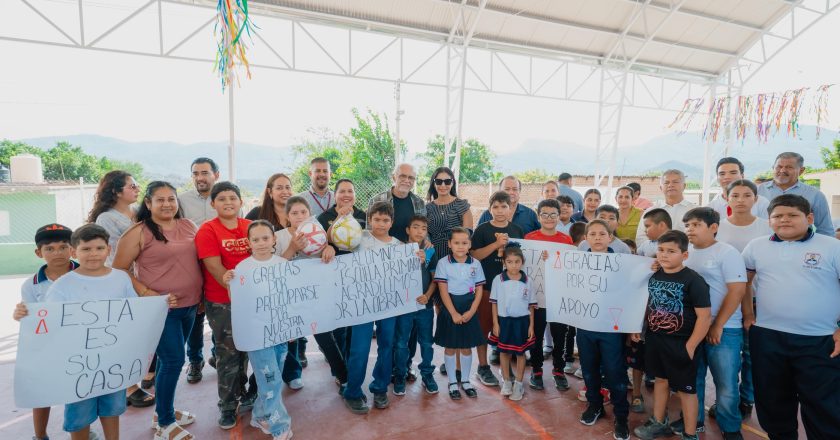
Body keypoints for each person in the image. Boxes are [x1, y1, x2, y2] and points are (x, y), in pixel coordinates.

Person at [46, 225, 174, 440]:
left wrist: (161, 304)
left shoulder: (121, 278)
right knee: (79, 414)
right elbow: (49, 320)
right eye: (86, 249)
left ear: (109, 249)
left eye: (99, 248)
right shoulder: (62, 286)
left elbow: (133, 311)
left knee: (112, 408)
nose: (93, 254)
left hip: (113, 361)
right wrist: (25, 314)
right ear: (74, 252)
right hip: (80, 364)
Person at [741, 194, 840, 439]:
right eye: (777, 216)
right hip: (767, 336)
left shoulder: (832, 247)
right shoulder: (756, 246)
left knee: (822, 403)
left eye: (792, 215)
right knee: (772, 400)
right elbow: (744, 281)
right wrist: (748, 313)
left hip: (819, 338)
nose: (784, 220)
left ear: (809, 218)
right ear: (769, 220)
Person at [112, 181, 203, 440]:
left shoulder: (188, 225)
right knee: (174, 361)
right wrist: (146, 292)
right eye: (160, 200)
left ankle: (164, 411)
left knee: (167, 361)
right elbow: (119, 269)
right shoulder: (138, 232)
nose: (167, 204)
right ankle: (164, 423)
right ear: (148, 203)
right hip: (161, 310)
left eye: (171, 199)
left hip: (190, 305)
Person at [674, 208, 747, 439]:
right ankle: (694, 421)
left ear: (713, 227)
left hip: (724, 329)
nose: (689, 229)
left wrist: (718, 324)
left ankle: (730, 427)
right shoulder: (685, 253)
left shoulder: (727, 252)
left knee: (726, 383)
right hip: (691, 327)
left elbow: (737, 291)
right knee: (692, 378)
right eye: (687, 225)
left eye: (696, 224)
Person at [632, 231, 711, 440]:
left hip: (681, 342)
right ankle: (659, 422)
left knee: (686, 390)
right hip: (656, 339)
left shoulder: (694, 280)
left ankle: (690, 434)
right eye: (660, 250)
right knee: (660, 380)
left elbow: (704, 317)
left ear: (684, 255)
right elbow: (643, 303)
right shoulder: (654, 275)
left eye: (671, 251)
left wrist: (691, 346)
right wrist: (637, 328)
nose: (664, 255)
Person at [222, 221, 294, 440]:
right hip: (256, 335)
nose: (261, 243)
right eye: (256, 239)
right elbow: (236, 301)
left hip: (280, 332)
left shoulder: (283, 264)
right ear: (248, 242)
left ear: (274, 239)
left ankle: (260, 415)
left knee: (272, 376)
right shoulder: (242, 268)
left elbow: (292, 299)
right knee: (270, 380)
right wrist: (228, 283)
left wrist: (292, 327)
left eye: (265, 238)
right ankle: (279, 426)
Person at [194, 181, 257, 430]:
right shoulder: (207, 230)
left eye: (232, 198)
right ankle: (228, 406)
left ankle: (244, 392)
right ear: (213, 204)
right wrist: (236, 289)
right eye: (221, 199)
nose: (228, 202)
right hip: (222, 302)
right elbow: (214, 267)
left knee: (247, 350)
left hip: (252, 300)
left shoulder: (250, 226)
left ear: (241, 201)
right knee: (228, 354)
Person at [342, 202, 415, 413]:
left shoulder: (399, 246)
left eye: (385, 220)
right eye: (376, 219)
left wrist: (417, 258)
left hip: (388, 305)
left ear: (392, 222)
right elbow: (337, 241)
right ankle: (352, 391)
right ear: (369, 219)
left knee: (386, 345)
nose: (381, 224)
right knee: (359, 349)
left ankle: (380, 387)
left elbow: (408, 271)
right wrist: (330, 244)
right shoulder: (359, 237)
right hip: (362, 304)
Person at [12, 224, 78, 440]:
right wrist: (21, 314)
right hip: (47, 348)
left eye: (63, 247)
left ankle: (80, 430)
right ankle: (40, 436)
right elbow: (30, 318)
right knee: (42, 393)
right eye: (49, 248)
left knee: (77, 392)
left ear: (73, 249)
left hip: (79, 346)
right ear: (38, 252)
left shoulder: (87, 274)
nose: (57, 253)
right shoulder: (31, 285)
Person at [714, 180, 771, 421]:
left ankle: (747, 397)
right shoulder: (718, 227)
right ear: (726, 198)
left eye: (747, 195)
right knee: (726, 356)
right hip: (723, 299)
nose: (740, 200)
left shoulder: (767, 227)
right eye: (735, 195)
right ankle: (726, 400)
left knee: (751, 352)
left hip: (758, 299)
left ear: (756, 199)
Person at [274, 196, 337, 390]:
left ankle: (341, 374)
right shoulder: (278, 236)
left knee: (325, 334)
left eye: (303, 212)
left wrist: (330, 248)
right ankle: (292, 374)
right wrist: (293, 248)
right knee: (290, 337)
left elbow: (327, 252)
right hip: (288, 297)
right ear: (287, 216)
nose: (299, 216)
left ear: (310, 214)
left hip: (314, 295)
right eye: (294, 213)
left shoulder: (318, 232)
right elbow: (273, 269)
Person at [576, 220, 630, 439]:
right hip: (585, 326)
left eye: (602, 234)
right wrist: (548, 261)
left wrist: (650, 267)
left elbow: (634, 286)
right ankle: (595, 405)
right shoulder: (576, 262)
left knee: (615, 372)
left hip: (611, 328)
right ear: (586, 238)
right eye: (592, 234)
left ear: (610, 237)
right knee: (589, 369)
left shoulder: (622, 263)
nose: (597, 237)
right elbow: (562, 279)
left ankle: (621, 416)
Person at [470, 191, 525, 381]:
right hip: (486, 287)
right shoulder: (482, 230)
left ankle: (505, 367)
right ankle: (483, 366)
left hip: (510, 289)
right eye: (495, 207)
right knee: (483, 327)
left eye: (504, 206)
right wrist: (496, 244)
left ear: (511, 208)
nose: (500, 210)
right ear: (489, 209)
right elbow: (474, 255)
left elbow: (522, 257)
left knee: (507, 328)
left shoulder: (517, 230)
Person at [317, 179, 364, 393]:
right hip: (332, 279)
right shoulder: (324, 217)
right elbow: (321, 243)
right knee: (336, 327)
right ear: (334, 195)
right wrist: (339, 218)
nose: (346, 195)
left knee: (352, 327)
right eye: (342, 191)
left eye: (350, 191)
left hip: (356, 279)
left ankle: (347, 368)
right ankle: (340, 371)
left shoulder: (363, 215)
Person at [523, 199, 573, 392]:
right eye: (545, 214)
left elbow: (569, 267)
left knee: (560, 335)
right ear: (538, 216)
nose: (549, 218)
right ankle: (536, 369)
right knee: (536, 335)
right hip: (537, 297)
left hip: (558, 297)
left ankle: (558, 369)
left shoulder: (566, 240)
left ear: (559, 216)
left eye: (553, 214)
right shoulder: (530, 238)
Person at [179, 157, 221, 380]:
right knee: (195, 315)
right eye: (195, 173)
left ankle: (217, 354)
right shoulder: (181, 200)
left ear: (216, 175)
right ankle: (195, 360)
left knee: (218, 310)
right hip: (191, 265)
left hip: (219, 265)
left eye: (204, 173)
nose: (199, 178)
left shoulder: (225, 197)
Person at [434, 226, 487, 400]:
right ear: (449, 244)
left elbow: (479, 289)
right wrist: (453, 313)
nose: (460, 246)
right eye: (456, 243)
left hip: (468, 307)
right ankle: (452, 382)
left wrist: (472, 311)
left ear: (470, 244)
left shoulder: (475, 264)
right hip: (450, 307)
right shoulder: (443, 263)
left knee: (466, 346)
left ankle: (465, 381)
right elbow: (443, 290)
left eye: (464, 243)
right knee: (450, 346)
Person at [393, 215, 439, 395]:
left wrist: (427, 295)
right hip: (404, 307)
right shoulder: (398, 249)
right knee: (401, 343)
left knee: (426, 343)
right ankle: (400, 375)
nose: (420, 231)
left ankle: (427, 374)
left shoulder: (430, 251)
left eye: (424, 229)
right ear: (407, 230)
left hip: (424, 307)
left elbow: (435, 279)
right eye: (416, 227)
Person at [488, 243, 536, 401]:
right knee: (504, 352)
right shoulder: (498, 279)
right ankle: (507, 381)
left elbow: (531, 306)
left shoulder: (528, 281)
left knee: (521, 353)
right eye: (509, 262)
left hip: (522, 322)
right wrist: (495, 323)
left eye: (517, 262)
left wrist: (531, 326)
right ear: (504, 262)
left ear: (522, 262)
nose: (513, 265)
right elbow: (494, 303)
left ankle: (519, 384)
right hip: (504, 322)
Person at [757, 151, 834, 236]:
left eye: (789, 167)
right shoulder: (756, 191)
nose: (782, 170)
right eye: (779, 167)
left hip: (802, 243)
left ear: (801, 170)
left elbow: (825, 229)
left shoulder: (815, 195)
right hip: (763, 241)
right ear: (773, 168)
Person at [88, 170, 140, 265]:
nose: (138, 190)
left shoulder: (140, 210)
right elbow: (114, 256)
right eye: (133, 187)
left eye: (137, 186)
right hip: (122, 271)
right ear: (117, 192)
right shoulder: (106, 219)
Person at [635, 170, 697, 248]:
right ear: (661, 188)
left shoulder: (695, 211)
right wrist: (660, 250)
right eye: (666, 183)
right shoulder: (650, 211)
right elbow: (640, 239)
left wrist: (680, 251)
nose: (670, 185)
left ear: (684, 186)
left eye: (675, 182)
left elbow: (701, 238)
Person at [368, 163, 426, 242]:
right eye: (403, 176)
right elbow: (369, 231)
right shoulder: (377, 200)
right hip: (382, 248)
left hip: (410, 248)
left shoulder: (419, 203)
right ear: (394, 177)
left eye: (411, 178)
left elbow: (423, 228)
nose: (407, 180)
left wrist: (426, 241)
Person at [425, 166, 473, 258]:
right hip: (432, 256)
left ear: (452, 183)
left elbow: (467, 235)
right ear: (433, 183)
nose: (443, 185)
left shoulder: (462, 205)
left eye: (447, 181)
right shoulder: (427, 208)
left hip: (456, 256)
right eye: (438, 181)